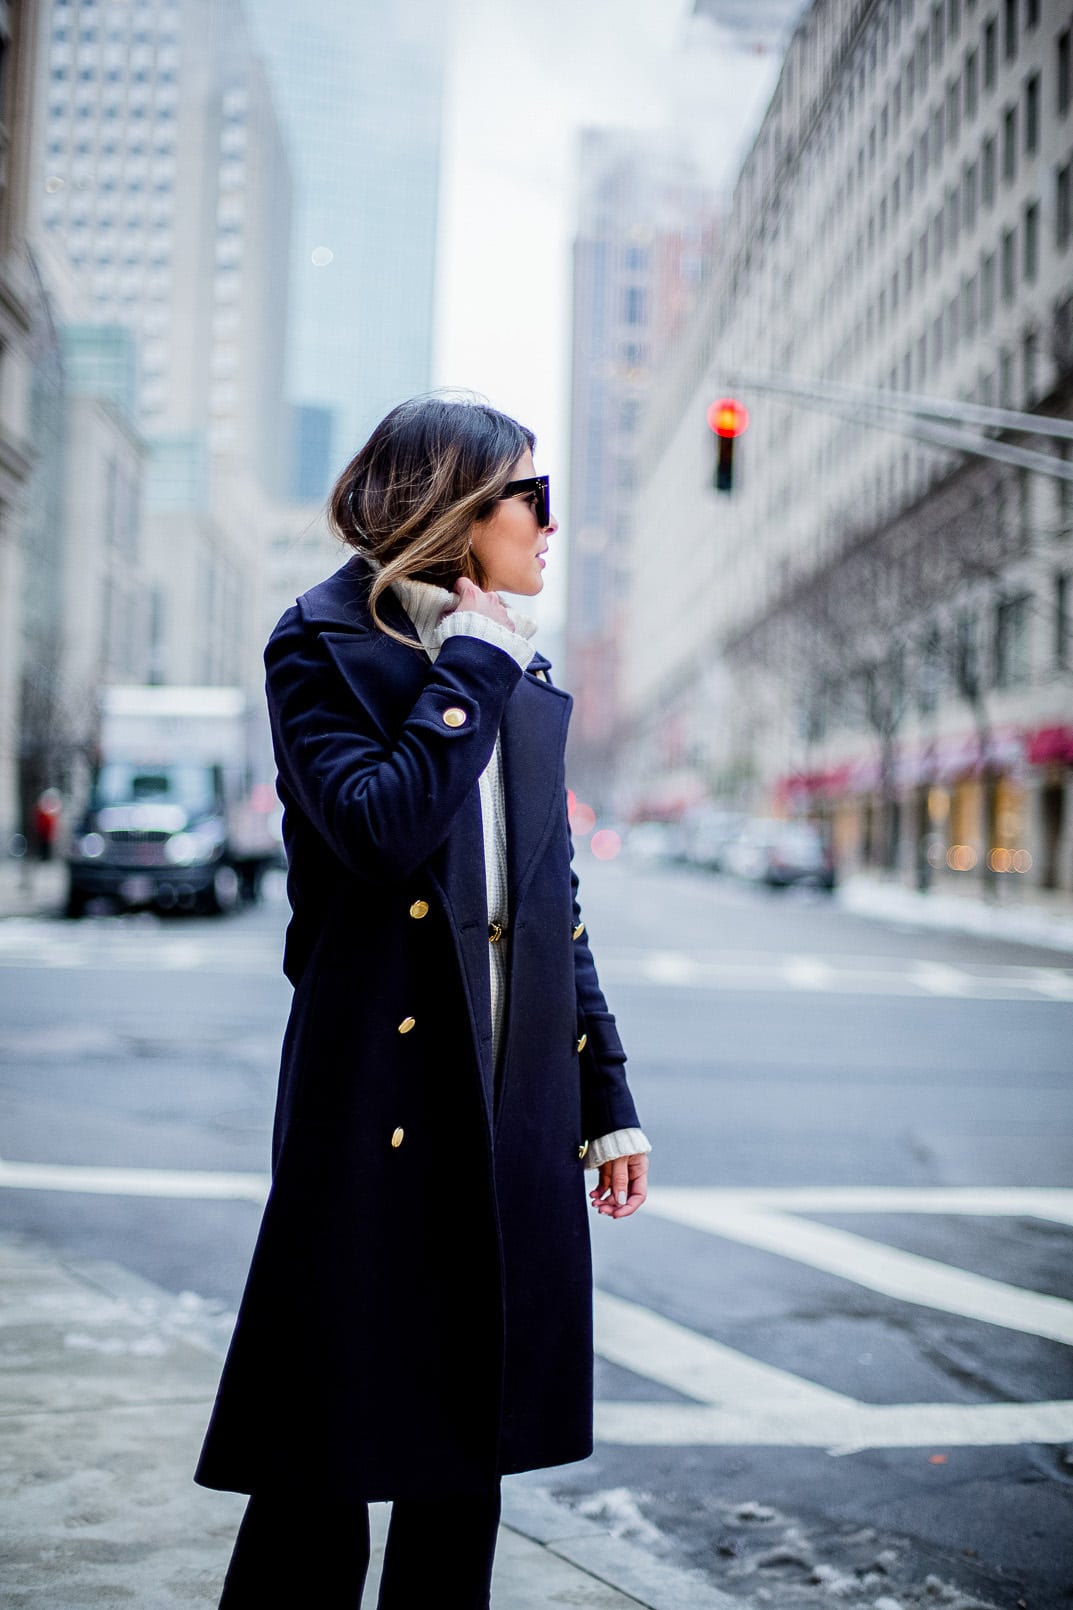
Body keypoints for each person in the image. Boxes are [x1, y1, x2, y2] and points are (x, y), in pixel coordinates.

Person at [195, 396, 651, 1608]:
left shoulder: (519, 664)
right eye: (531, 500)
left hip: (507, 1103)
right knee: (320, 1465)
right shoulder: (321, 645)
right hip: (378, 1104)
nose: (552, 528)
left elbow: (551, 903)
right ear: (458, 511)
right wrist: (468, 674)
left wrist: (603, 1093)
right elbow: (380, 829)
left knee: (463, 1475)